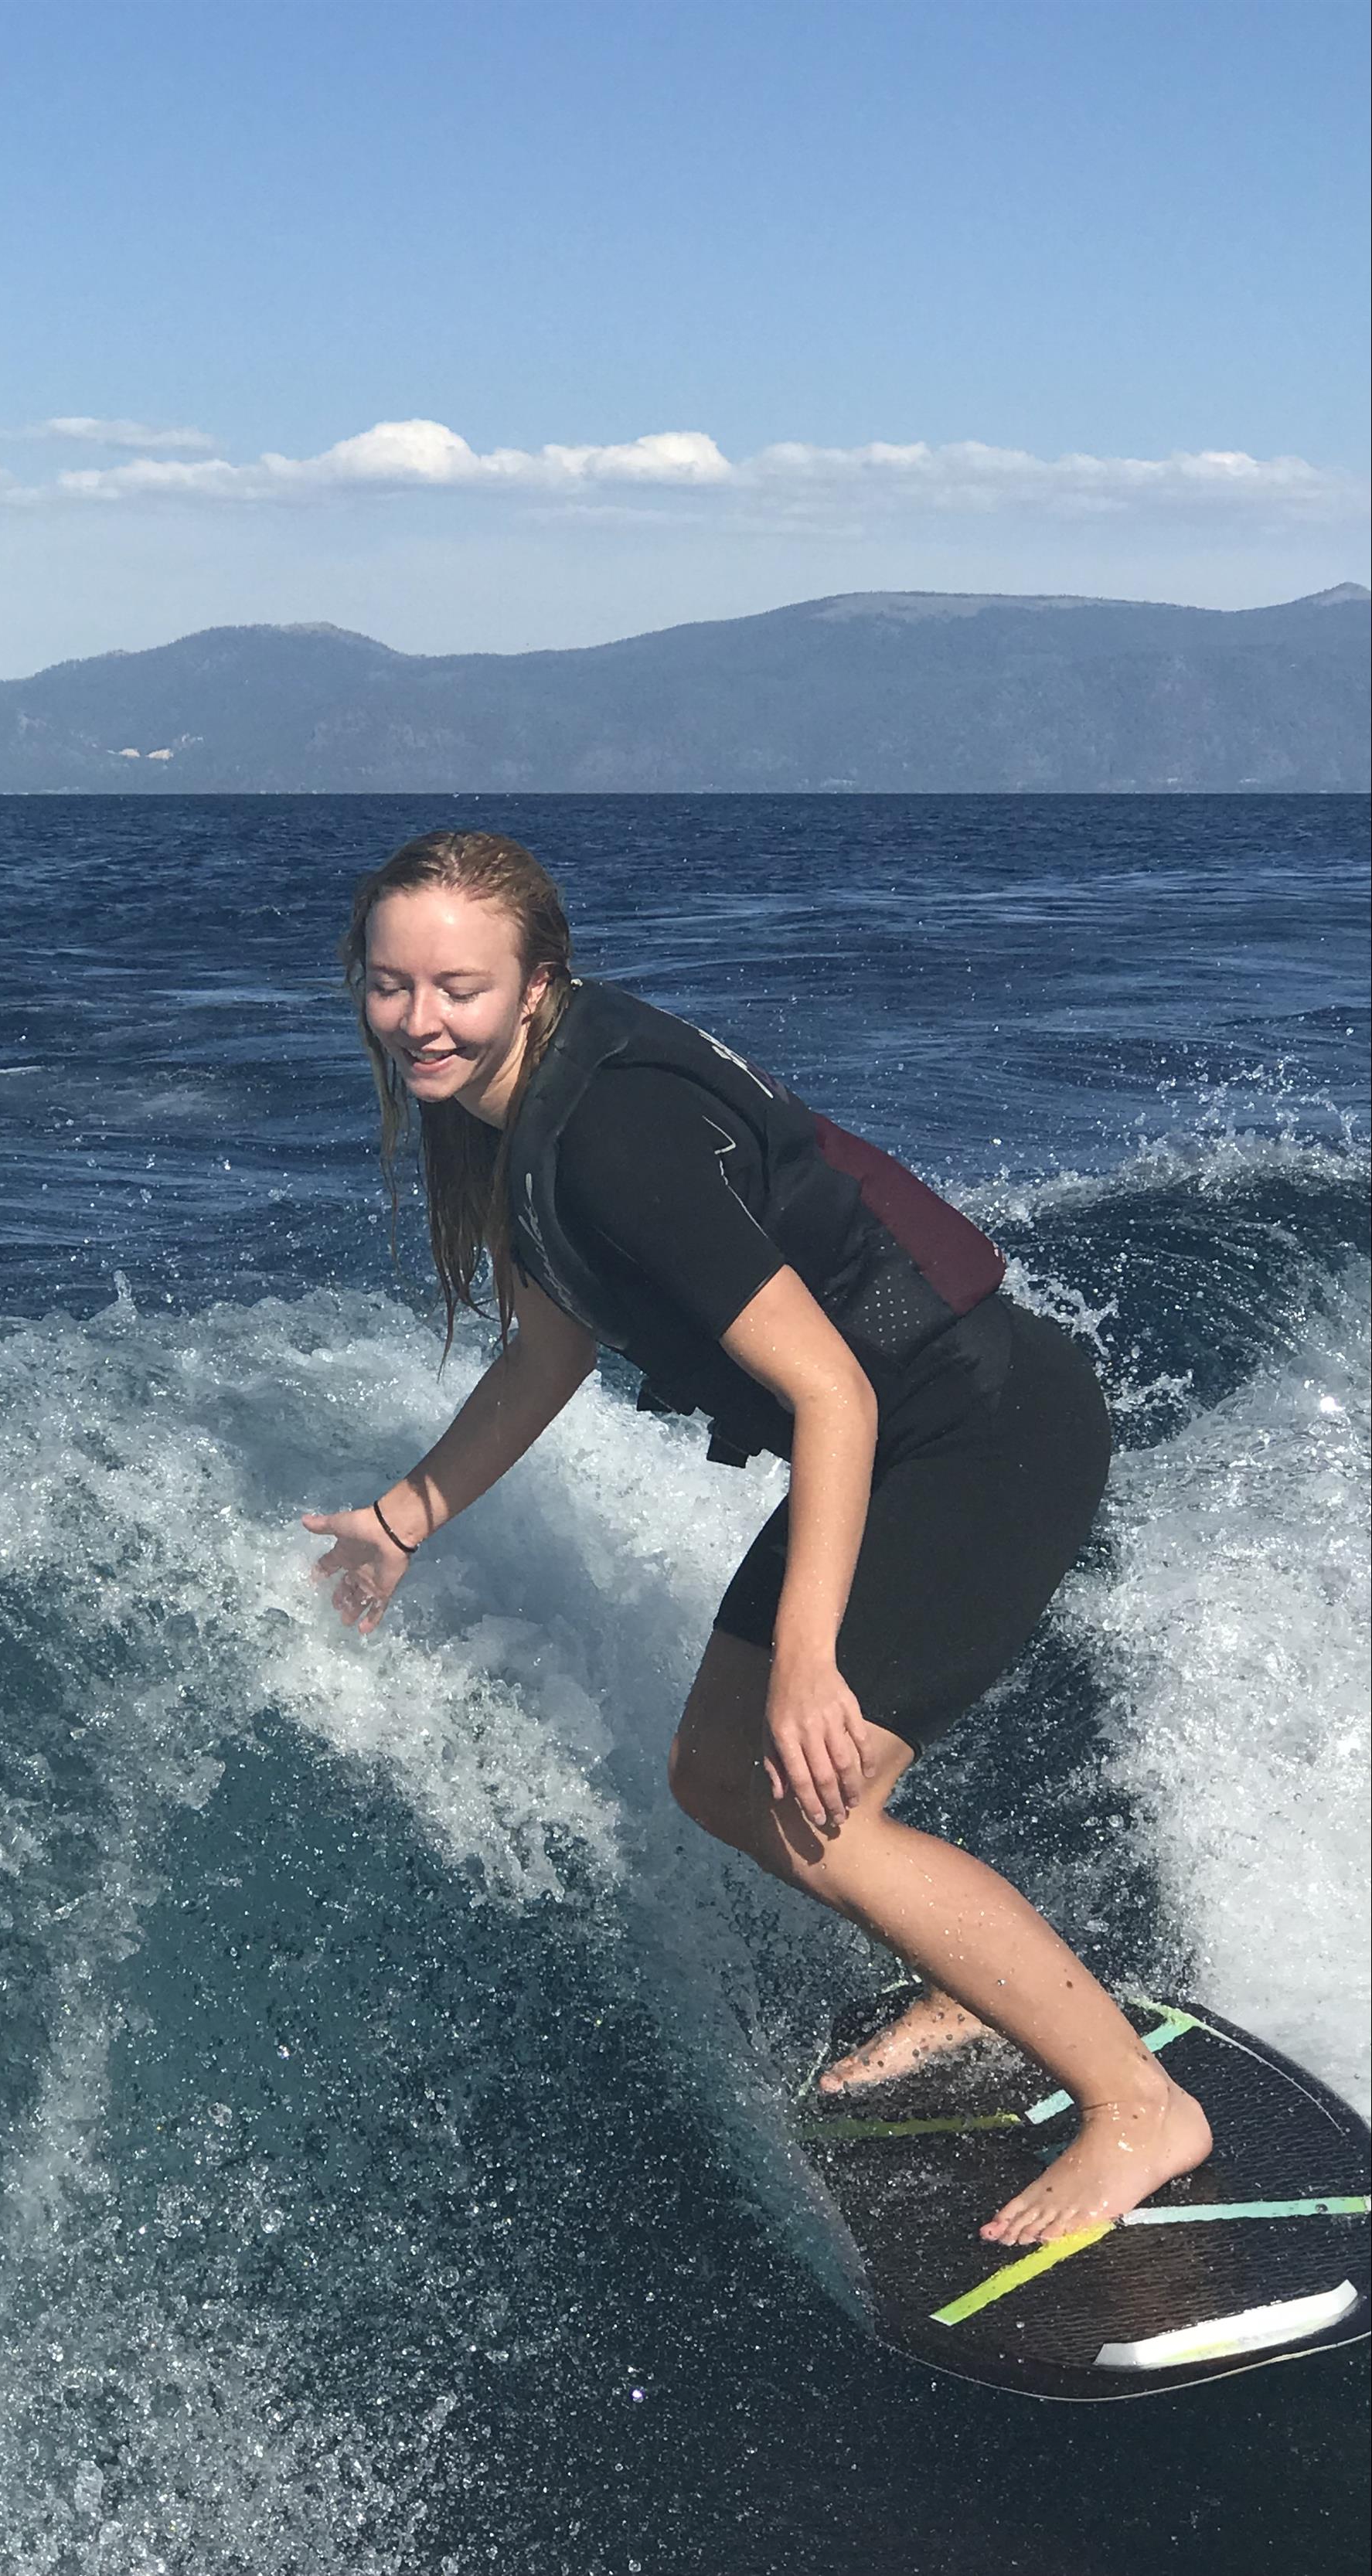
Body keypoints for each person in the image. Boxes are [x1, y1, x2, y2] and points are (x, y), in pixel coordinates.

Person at [301, 829, 1212, 2248]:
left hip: (976, 1438)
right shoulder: (518, 1107)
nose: (421, 1018)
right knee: (715, 1775)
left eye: (458, 987)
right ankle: (987, 1987)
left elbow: (830, 1388)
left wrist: (806, 1661)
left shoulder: (611, 1131)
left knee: (804, 1798)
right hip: (917, 1437)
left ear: (539, 982)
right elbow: (549, 1355)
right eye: (388, 984)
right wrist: (402, 1519)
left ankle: (1139, 2104)